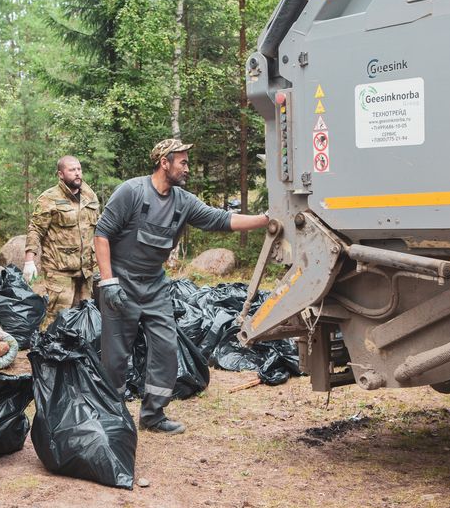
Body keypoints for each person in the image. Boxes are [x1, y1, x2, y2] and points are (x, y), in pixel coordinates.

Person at [94, 139, 270, 434]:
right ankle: (111, 416)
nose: (187, 168)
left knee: (165, 348)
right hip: (121, 284)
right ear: (165, 162)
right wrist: (108, 281)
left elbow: (221, 219)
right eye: (183, 162)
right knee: (115, 356)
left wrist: (266, 220)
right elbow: (102, 234)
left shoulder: (183, 201)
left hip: (155, 286)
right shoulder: (131, 192)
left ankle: (152, 414)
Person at [24, 156, 100, 329]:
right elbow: (35, 229)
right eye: (72, 170)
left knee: (84, 317)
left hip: (86, 269)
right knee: (57, 317)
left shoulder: (90, 196)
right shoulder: (49, 198)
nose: (77, 173)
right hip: (59, 270)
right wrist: (29, 260)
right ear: (61, 174)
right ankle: (46, 352)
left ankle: (77, 355)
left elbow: (98, 229)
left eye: (79, 169)